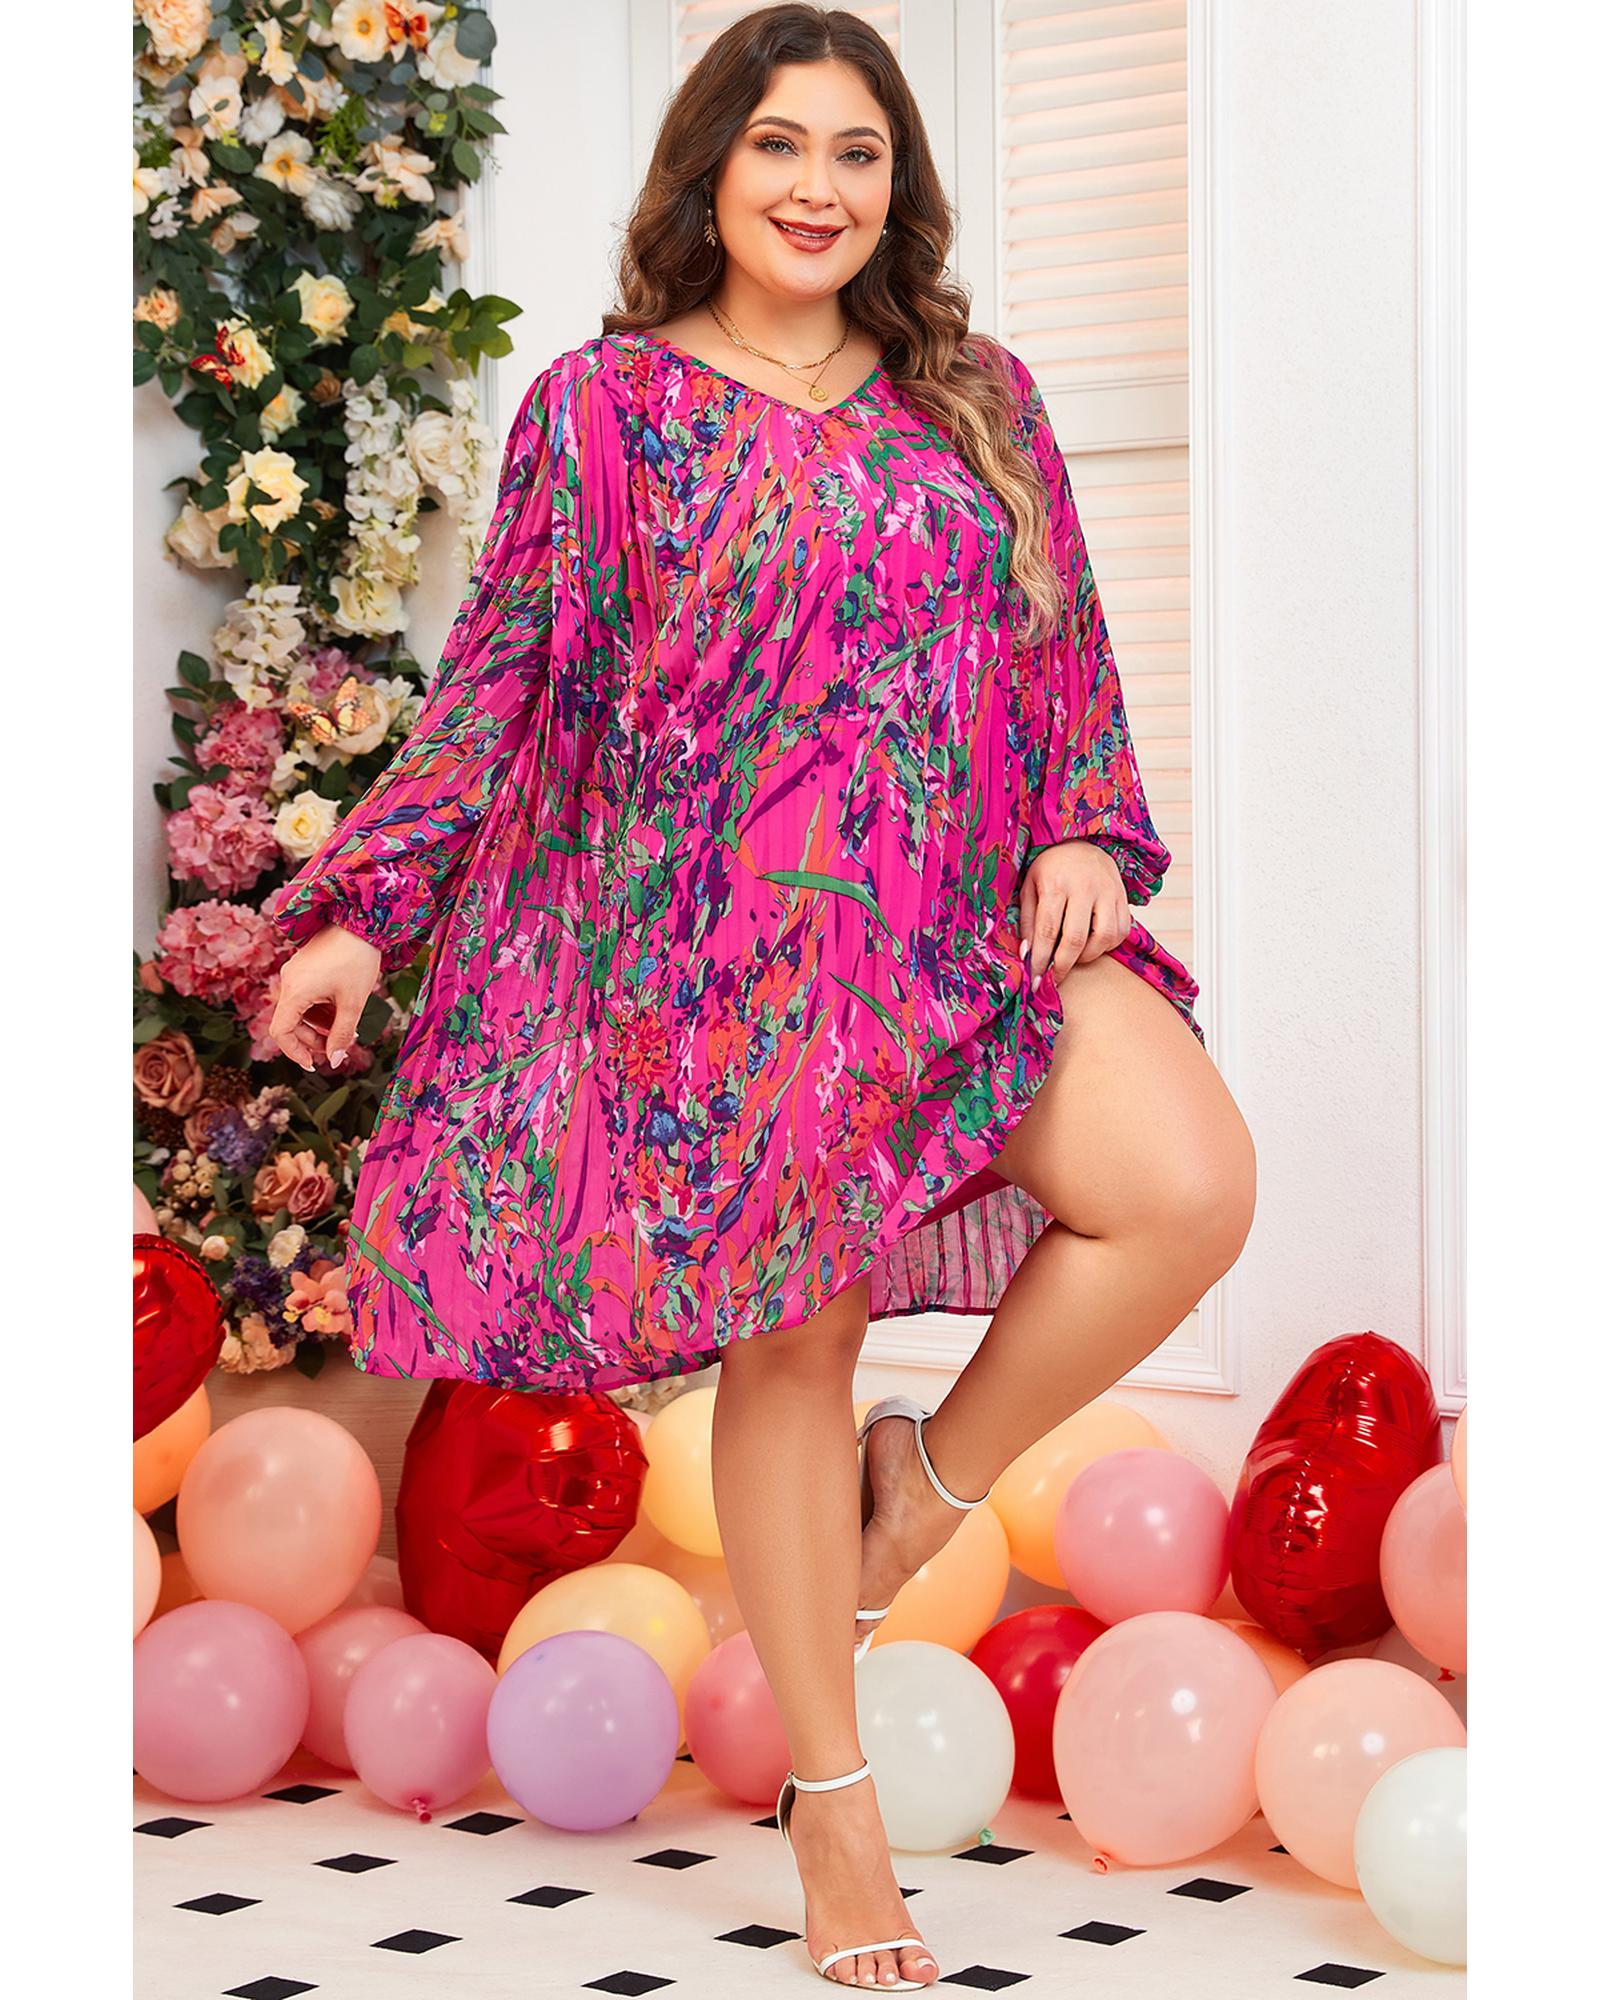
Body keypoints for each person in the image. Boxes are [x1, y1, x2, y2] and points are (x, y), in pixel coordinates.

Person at [267, 7, 1255, 1988]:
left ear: (898, 185)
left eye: (857, 153)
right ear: (710, 170)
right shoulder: (601, 409)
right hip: (725, 964)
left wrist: (1082, 825)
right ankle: (835, 1809)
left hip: (955, 923)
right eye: (781, 146)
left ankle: (921, 1493)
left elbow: (1061, 639)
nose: (818, 187)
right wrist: (365, 908)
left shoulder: (975, 394)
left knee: (1188, 1185)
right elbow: (499, 683)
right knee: (794, 1350)